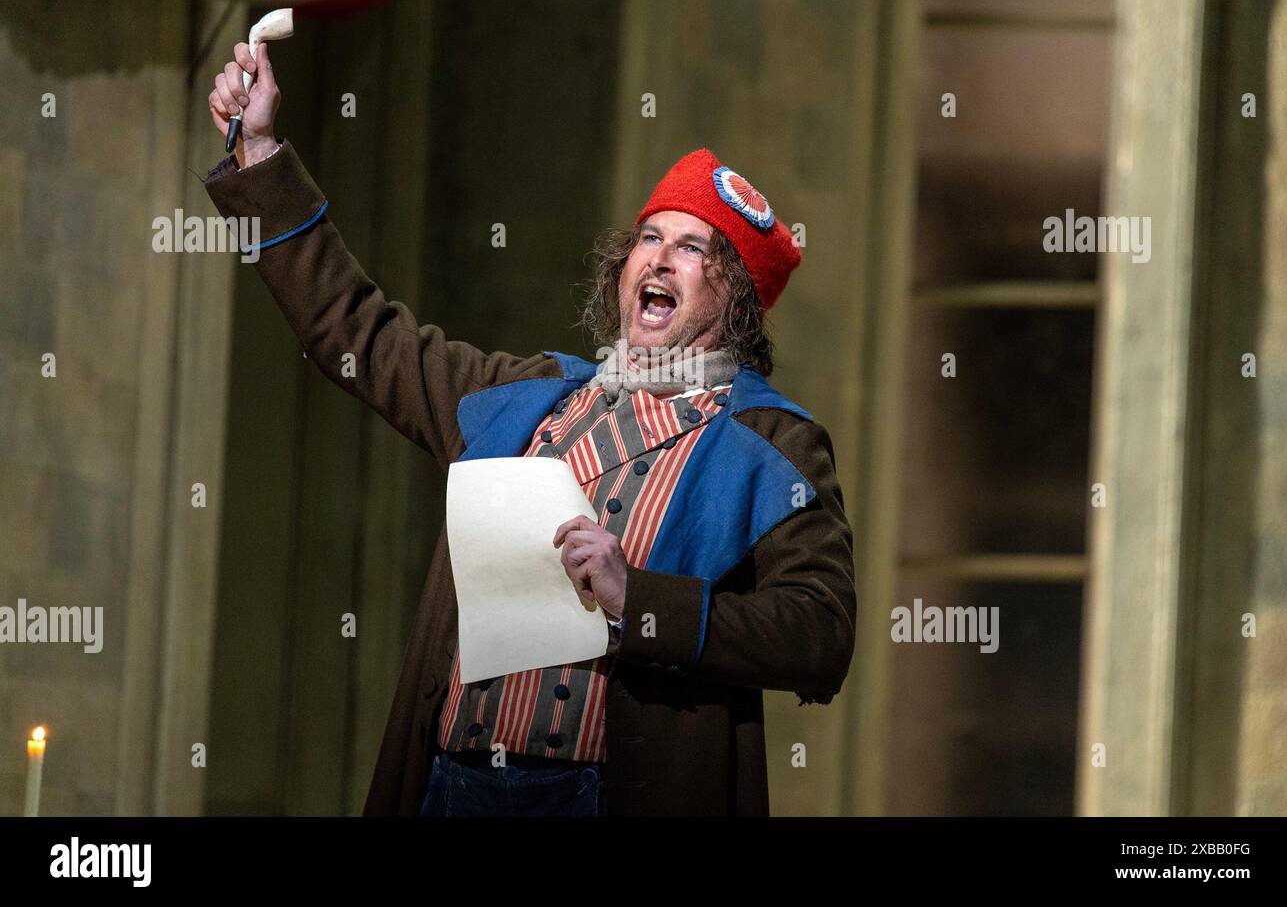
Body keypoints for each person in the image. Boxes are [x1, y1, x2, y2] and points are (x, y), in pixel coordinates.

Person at [203, 40, 856, 816]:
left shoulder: (767, 441)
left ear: (737, 298)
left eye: (692, 248)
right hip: (453, 784)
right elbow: (358, 334)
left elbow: (820, 634)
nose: (659, 259)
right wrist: (262, 153)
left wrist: (636, 598)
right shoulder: (526, 397)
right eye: (649, 237)